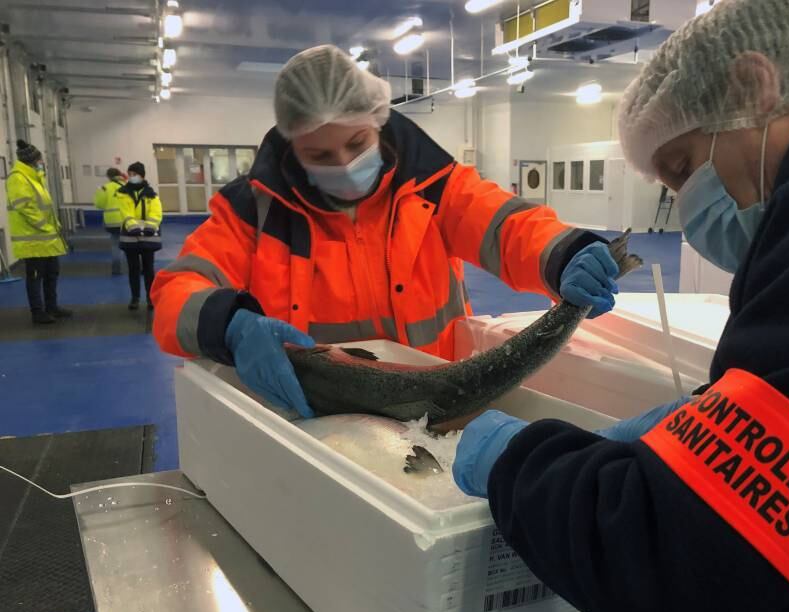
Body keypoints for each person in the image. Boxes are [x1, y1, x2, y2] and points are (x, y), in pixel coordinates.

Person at [452, 0, 789, 612]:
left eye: (682, 168)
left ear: (753, 88)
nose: (686, 207)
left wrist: (519, 460)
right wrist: (720, 420)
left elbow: (674, 561)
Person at [150, 45, 620, 417]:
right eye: (320, 155)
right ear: (293, 148)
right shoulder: (253, 213)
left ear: (377, 121)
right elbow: (178, 291)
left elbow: (507, 227)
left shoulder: (435, 188)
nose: (344, 164)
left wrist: (564, 253)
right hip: (313, 416)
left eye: (356, 143)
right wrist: (227, 323)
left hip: (435, 407)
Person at [6, 140, 71, 325]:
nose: (42, 161)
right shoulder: (18, 178)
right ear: (32, 160)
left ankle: (52, 307)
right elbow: (25, 208)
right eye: (40, 158)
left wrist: (54, 226)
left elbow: (45, 207)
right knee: (35, 277)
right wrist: (45, 226)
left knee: (52, 273)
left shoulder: (35, 177)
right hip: (33, 239)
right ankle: (38, 312)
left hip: (47, 239)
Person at [114, 162, 162, 310]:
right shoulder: (122, 193)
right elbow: (125, 212)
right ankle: (135, 298)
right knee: (133, 269)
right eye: (130, 174)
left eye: (135, 174)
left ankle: (150, 298)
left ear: (142, 175)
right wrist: (132, 227)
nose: (132, 177)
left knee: (149, 270)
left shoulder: (151, 194)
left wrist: (151, 227)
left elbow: (156, 212)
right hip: (130, 237)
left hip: (148, 237)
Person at [93, 167, 127, 275]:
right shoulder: (126, 186)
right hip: (126, 220)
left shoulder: (104, 188)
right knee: (130, 245)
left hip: (111, 221)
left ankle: (116, 270)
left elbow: (99, 204)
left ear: (108, 177)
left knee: (115, 245)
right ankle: (135, 267)